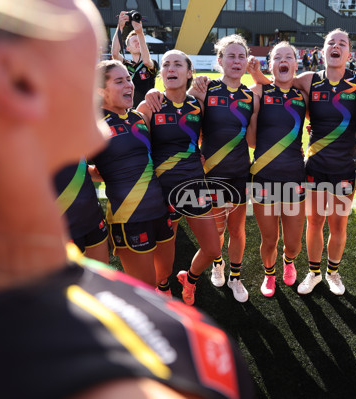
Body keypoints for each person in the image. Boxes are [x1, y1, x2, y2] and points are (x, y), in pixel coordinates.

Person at [0, 0, 254, 398]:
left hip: (155, 210)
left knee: (163, 276)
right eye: (82, 80)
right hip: (128, 223)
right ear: (14, 83)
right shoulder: (190, 354)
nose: (98, 134)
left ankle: (182, 281)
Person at [249, 29, 356, 296]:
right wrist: (257, 77)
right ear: (323, 49)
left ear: (350, 52)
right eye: (331, 42)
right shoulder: (307, 80)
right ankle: (314, 272)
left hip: (344, 168)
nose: (336, 46)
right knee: (314, 222)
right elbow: (278, 83)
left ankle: (333, 273)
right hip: (315, 166)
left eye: (342, 43)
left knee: (338, 225)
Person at [150, 34, 256, 302]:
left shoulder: (252, 96)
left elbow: (253, 138)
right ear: (219, 60)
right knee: (213, 235)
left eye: (241, 56)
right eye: (230, 55)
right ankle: (201, 272)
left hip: (239, 173)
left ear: (247, 61)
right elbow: (187, 121)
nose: (236, 60)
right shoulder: (204, 90)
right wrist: (154, 92)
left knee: (238, 229)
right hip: (206, 176)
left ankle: (235, 276)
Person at [136, 50, 221, 306]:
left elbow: (205, 135)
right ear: (161, 73)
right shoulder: (150, 104)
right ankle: (163, 287)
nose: (170, 68)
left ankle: (190, 279)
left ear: (189, 72)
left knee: (213, 249)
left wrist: (200, 156)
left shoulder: (198, 103)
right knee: (164, 266)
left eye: (177, 64)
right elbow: (139, 151)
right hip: (162, 193)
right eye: (166, 65)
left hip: (195, 187)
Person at [92, 60, 175, 293]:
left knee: (165, 272)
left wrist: (152, 90)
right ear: (101, 90)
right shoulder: (94, 126)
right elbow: (73, 166)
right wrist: (102, 173)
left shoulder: (138, 117)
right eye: (119, 81)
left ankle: (165, 296)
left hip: (160, 210)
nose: (128, 84)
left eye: (128, 79)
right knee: (144, 289)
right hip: (129, 217)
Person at [247, 41, 308, 297]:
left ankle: (289, 261)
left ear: (295, 64)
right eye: (278, 57)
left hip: (294, 177)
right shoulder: (258, 92)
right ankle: (269, 274)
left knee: (293, 243)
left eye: (289, 57)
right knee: (269, 239)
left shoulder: (304, 95)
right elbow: (251, 139)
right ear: (271, 65)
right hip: (264, 177)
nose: (283, 60)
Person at [54, 160, 109, 264]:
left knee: (101, 274)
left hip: (93, 219)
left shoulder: (77, 144)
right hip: (66, 227)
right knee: (74, 279)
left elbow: (77, 168)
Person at [111, 10, 158, 107]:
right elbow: (115, 53)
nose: (138, 43)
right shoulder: (125, 65)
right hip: (128, 110)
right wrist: (120, 27)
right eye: (134, 41)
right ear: (128, 49)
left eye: (139, 41)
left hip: (147, 109)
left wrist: (140, 33)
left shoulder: (152, 63)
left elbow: (145, 61)